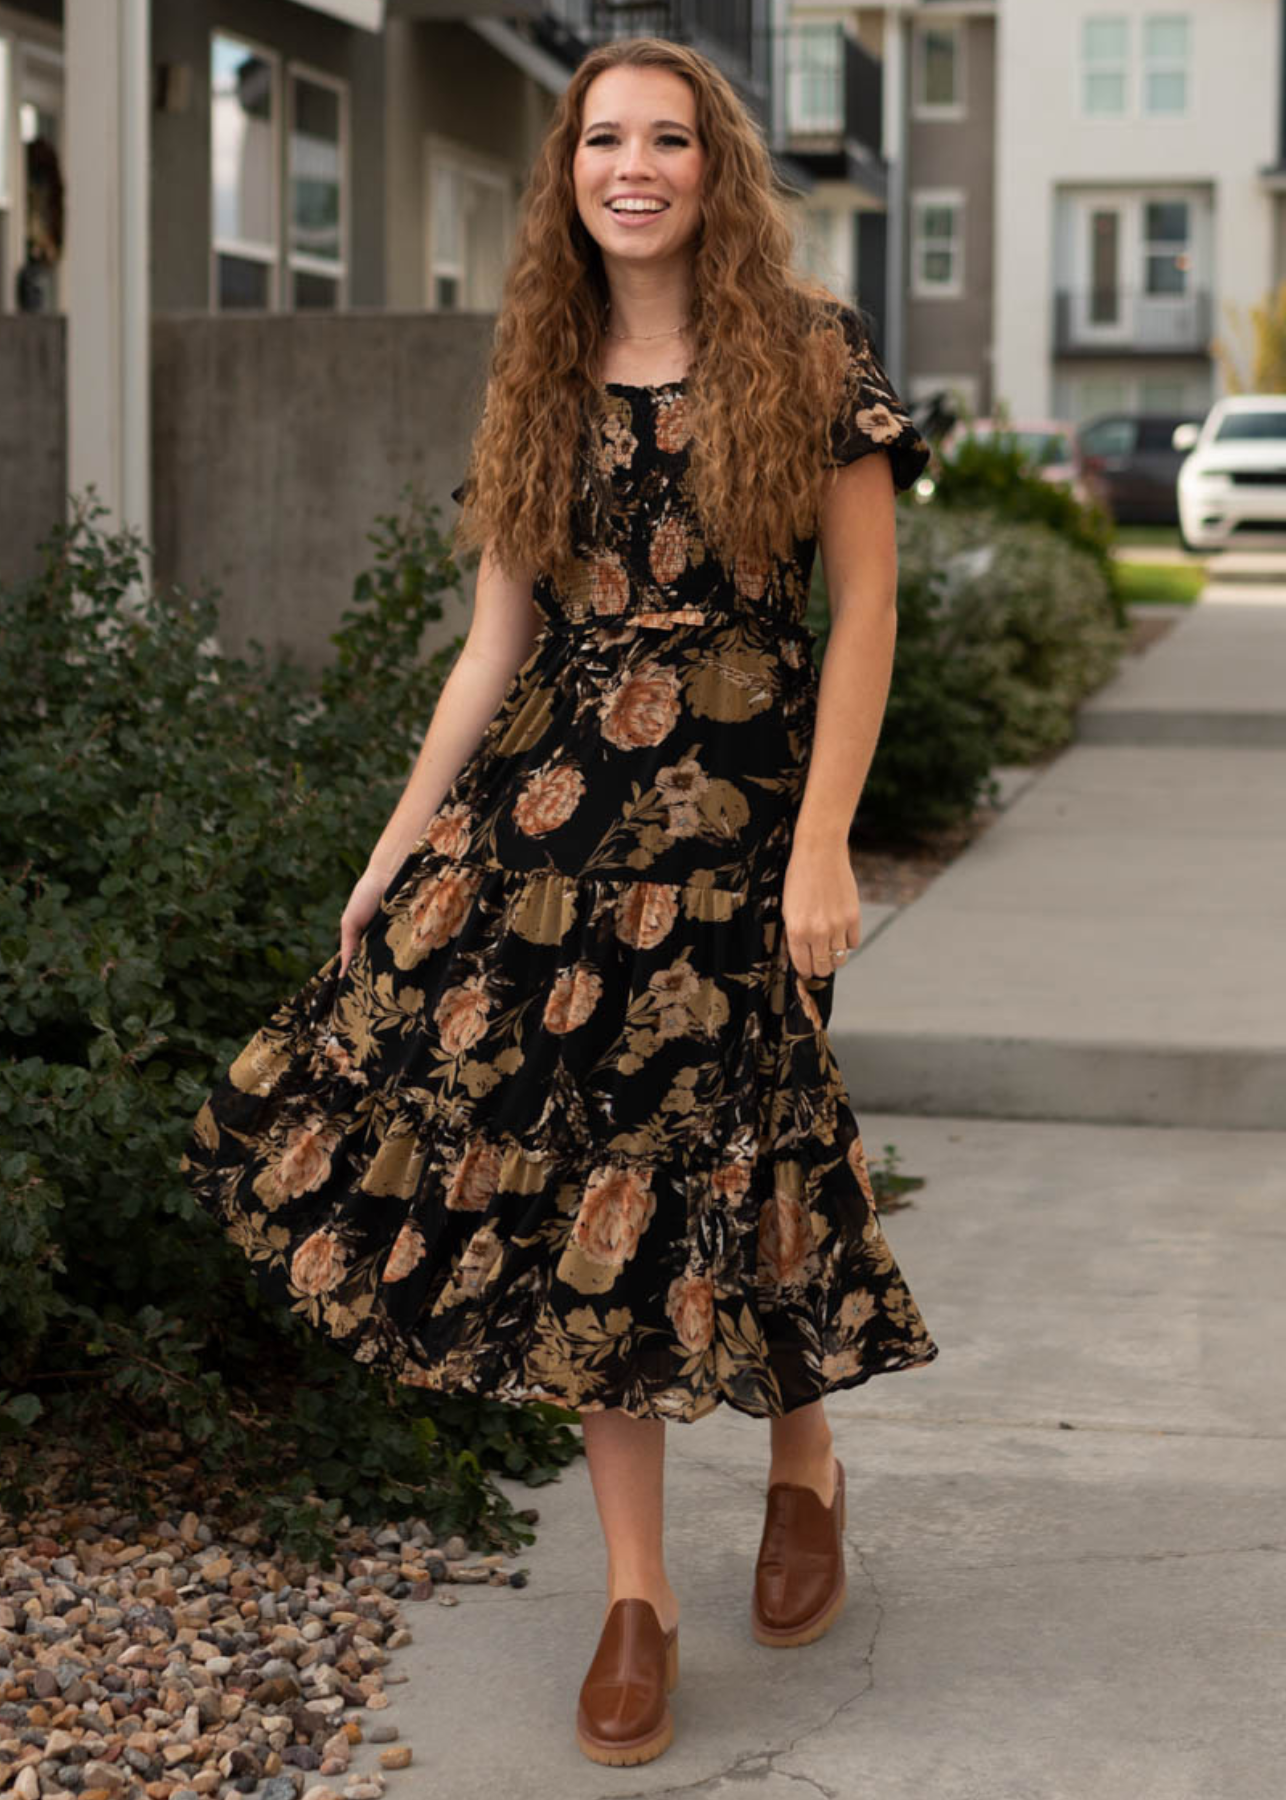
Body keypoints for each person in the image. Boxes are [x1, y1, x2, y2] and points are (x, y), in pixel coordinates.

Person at [181, 34, 940, 1770]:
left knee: (750, 1139)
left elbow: (865, 617)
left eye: (669, 137)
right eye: (604, 138)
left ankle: (804, 1456)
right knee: (595, 1181)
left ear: (711, 165)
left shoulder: (810, 350)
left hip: (743, 829)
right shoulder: (539, 361)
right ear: (567, 170)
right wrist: (396, 843)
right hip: (555, 834)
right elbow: (496, 642)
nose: (635, 166)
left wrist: (825, 840)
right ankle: (633, 1596)